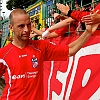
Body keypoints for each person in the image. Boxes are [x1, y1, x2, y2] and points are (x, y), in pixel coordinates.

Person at [0, 8, 98, 100]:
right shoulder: (3, 54)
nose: (26, 29)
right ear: (11, 27)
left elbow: (70, 50)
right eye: (21, 26)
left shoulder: (41, 47)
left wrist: (88, 32)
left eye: (28, 25)